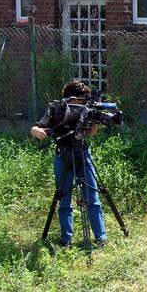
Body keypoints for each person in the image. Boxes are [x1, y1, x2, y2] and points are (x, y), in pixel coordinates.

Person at [30, 80, 108, 248]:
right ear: (72, 98)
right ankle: (66, 239)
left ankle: (100, 237)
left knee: (92, 197)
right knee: (64, 198)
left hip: (82, 154)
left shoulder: (87, 110)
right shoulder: (56, 109)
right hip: (63, 156)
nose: (84, 102)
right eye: (81, 99)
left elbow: (91, 133)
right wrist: (40, 132)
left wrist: (95, 119)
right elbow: (35, 128)